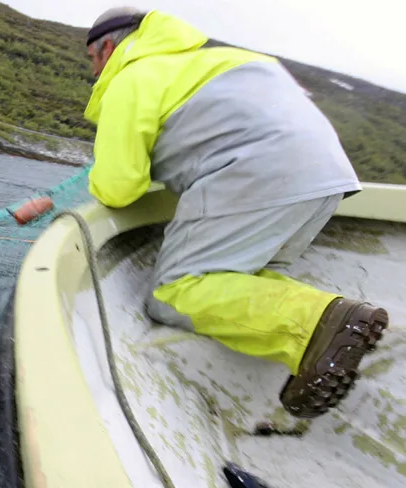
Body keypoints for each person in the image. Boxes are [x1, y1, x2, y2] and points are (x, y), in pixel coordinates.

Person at [82, 6, 389, 418]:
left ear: (106, 47)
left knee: (175, 291)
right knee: (233, 280)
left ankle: (316, 322)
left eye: (92, 61)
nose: (96, 72)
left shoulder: (134, 75)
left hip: (258, 174)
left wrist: (96, 180)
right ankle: (317, 340)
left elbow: (120, 188)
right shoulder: (227, 60)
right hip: (326, 178)